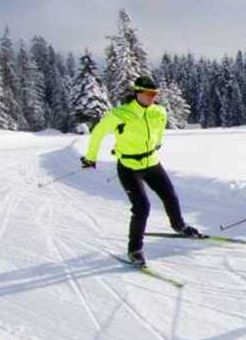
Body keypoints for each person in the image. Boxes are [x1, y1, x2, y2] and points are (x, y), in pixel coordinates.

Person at [81, 76, 201, 267]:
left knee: (170, 196)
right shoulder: (120, 114)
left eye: (155, 94)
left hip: (152, 162)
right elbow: (97, 134)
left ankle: (179, 225)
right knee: (142, 207)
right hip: (128, 167)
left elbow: (159, 130)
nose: (152, 97)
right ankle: (135, 249)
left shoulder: (159, 112)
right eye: (148, 93)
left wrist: (157, 143)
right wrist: (91, 157)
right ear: (137, 92)